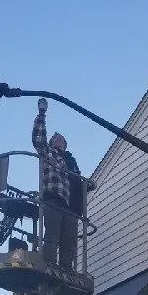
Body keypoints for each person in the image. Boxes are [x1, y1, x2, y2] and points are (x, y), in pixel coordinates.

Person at [31, 98, 94, 270]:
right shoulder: (49, 153)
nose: (58, 140)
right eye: (55, 138)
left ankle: (66, 268)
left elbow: (77, 183)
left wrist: (86, 185)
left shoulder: (71, 163)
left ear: (65, 145)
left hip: (71, 206)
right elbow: (38, 139)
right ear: (51, 143)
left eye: (61, 139)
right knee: (52, 234)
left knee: (70, 240)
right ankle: (49, 263)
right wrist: (42, 114)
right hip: (54, 198)